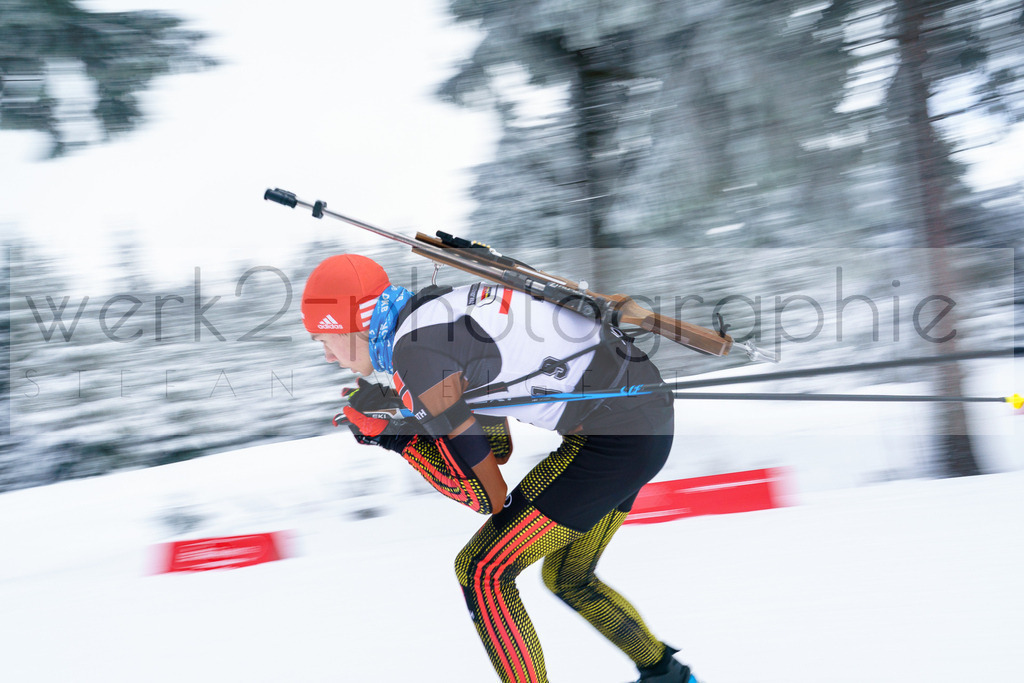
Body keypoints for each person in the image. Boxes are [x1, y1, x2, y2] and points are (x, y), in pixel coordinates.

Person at [302, 253, 698, 683]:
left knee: (482, 572)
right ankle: (668, 676)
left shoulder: (415, 356)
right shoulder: (436, 308)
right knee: (568, 576)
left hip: (617, 440)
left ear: (351, 325)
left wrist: (395, 437)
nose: (326, 355)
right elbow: (498, 445)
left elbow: (485, 495)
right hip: (641, 421)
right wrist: (406, 414)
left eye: (321, 338)